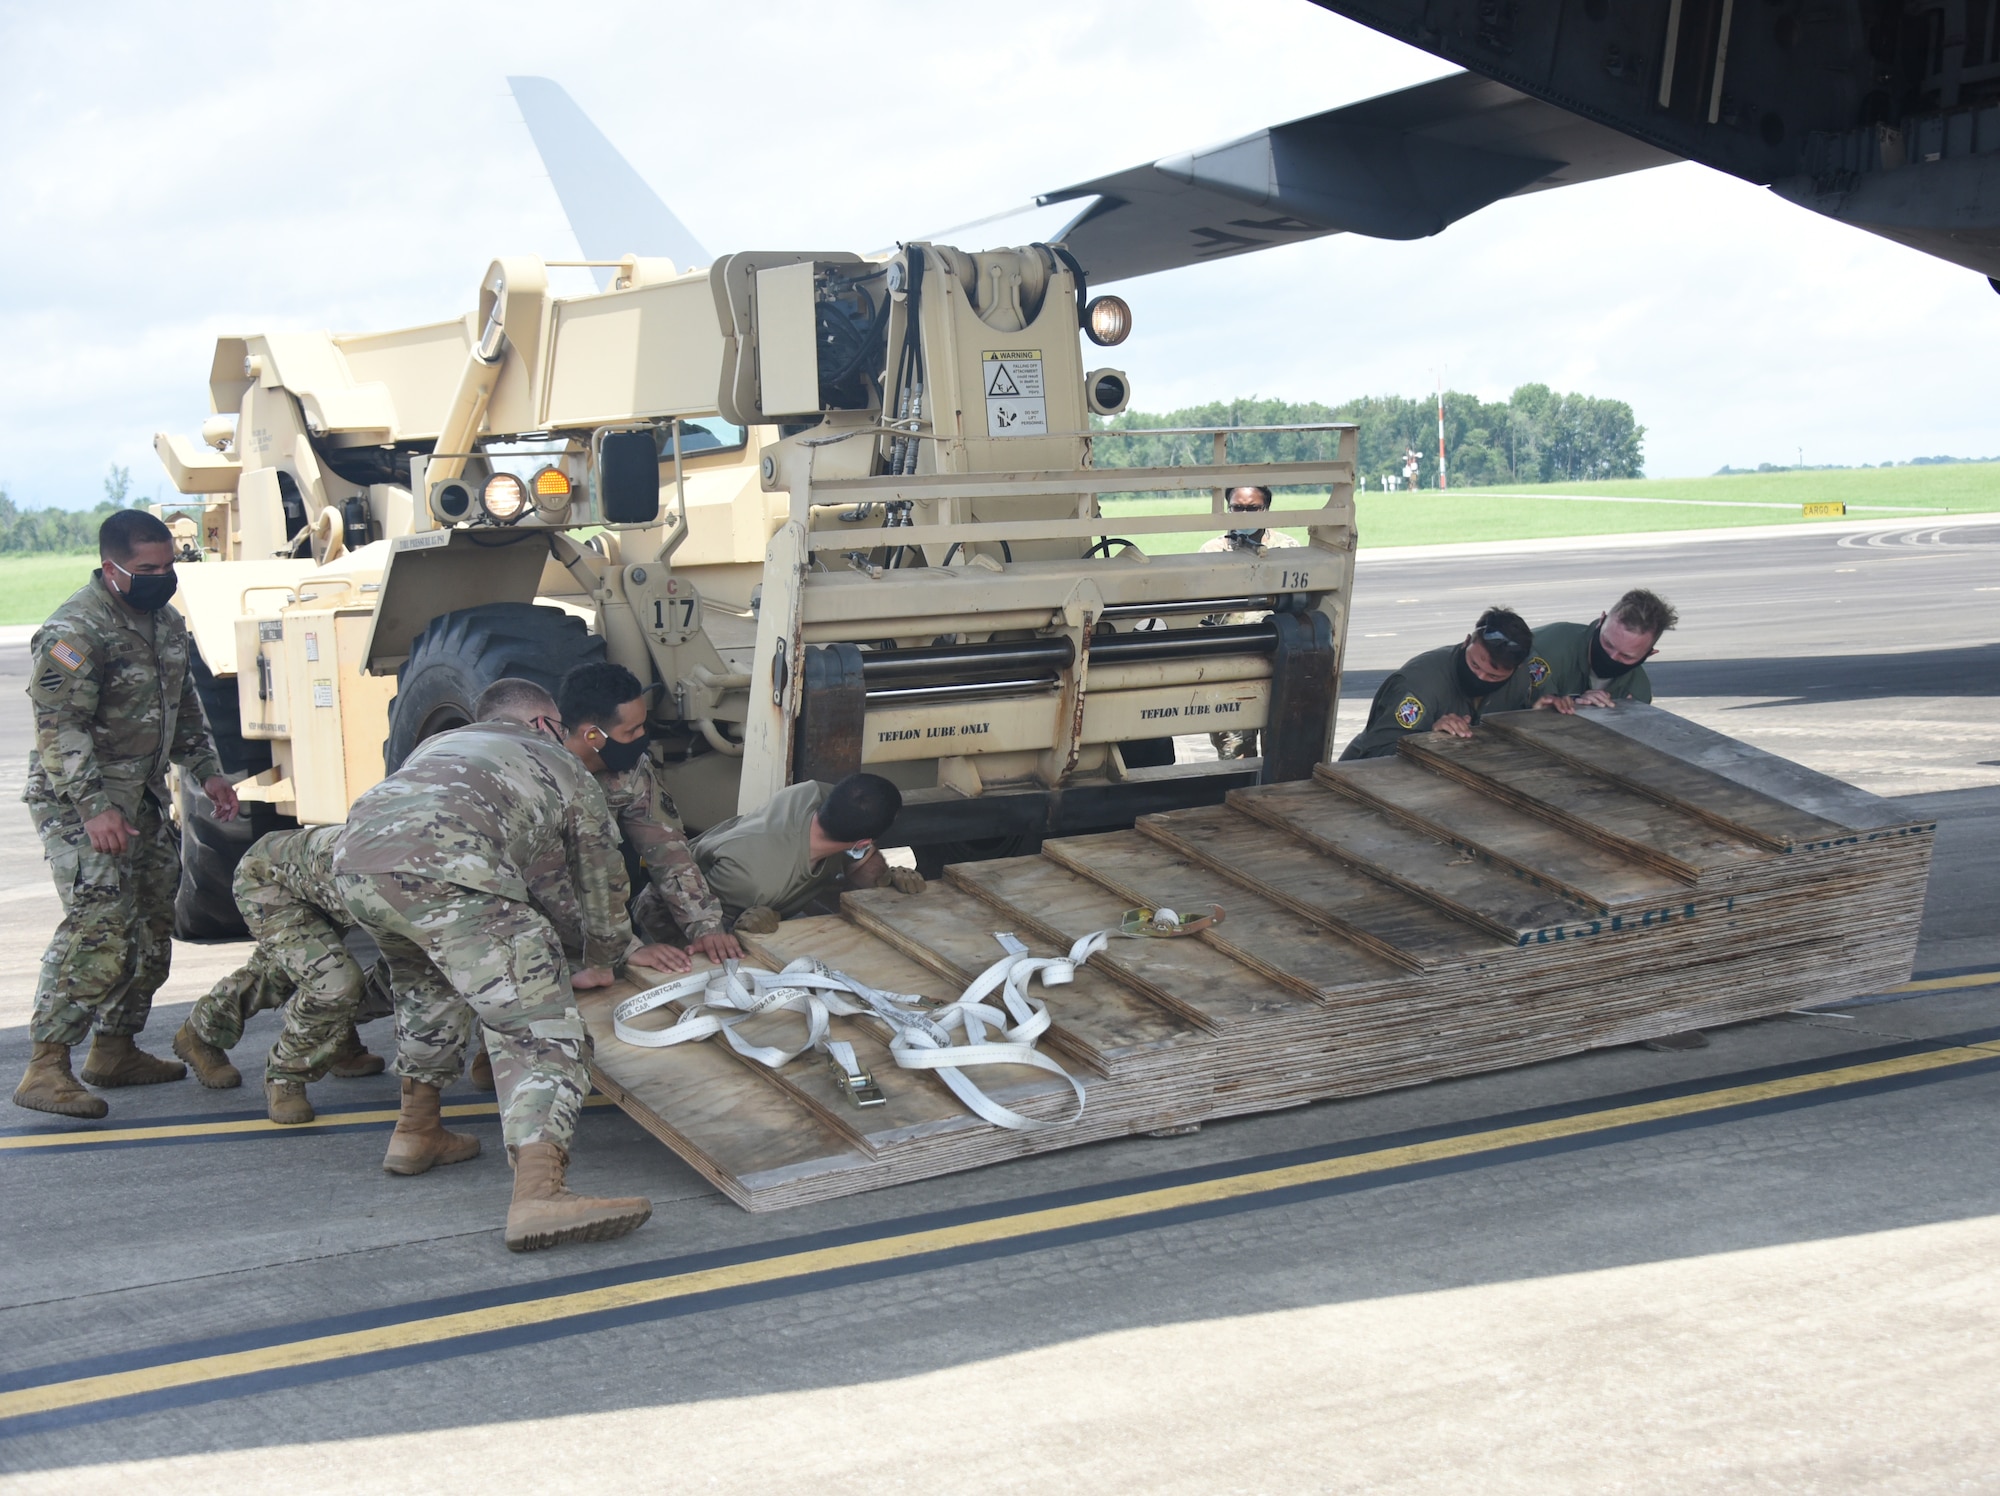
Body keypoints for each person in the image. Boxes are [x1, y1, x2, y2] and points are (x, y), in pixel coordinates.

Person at [332, 678, 659, 1252]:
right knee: (540, 1031)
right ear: (543, 725)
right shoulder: (555, 760)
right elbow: (602, 876)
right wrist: (604, 959)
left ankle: (417, 1130)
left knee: (427, 993)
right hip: (454, 872)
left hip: (357, 867)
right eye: (558, 727)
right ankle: (538, 1194)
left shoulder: (437, 747)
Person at [13, 510, 239, 1118]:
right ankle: (46, 1065)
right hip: (77, 804)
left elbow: (183, 707)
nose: (160, 578)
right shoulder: (75, 631)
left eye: (168, 567)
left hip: (139, 799)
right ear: (111, 566)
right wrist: (92, 808)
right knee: (101, 928)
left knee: (150, 927)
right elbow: (59, 727)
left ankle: (115, 1049)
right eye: (146, 569)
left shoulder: (162, 621)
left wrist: (208, 770)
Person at [172, 826, 383, 1124]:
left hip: (316, 887)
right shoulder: (394, 870)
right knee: (332, 982)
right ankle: (284, 1074)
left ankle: (335, 1042)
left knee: (283, 971)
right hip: (266, 878)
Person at [555, 662, 741, 964]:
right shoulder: (539, 780)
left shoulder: (631, 770)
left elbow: (668, 853)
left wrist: (705, 926)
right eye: (631, 731)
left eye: (643, 725)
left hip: (602, 908)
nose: (643, 736)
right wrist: (626, 949)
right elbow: (551, 884)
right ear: (592, 736)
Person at [692, 772, 923, 935]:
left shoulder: (817, 793)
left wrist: (884, 881)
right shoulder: (752, 880)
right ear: (862, 841)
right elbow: (682, 916)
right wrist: (737, 930)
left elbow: (862, 861)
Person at [1339, 606, 1535, 761]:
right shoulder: (1419, 684)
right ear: (1467, 642)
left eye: (1493, 677)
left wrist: (1539, 712)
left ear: (1515, 669)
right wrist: (1429, 737)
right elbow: (1375, 754)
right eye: (1474, 665)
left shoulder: (1520, 680)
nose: (1480, 678)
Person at [1199, 486, 1304, 760]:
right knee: (1235, 756)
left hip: (1278, 664)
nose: (1244, 514)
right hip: (1231, 669)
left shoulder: (1287, 549)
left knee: (1281, 752)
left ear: (1265, 509)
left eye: (1252, 508)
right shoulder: (1212, 552)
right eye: (1238, 508)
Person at [1527, 589, 1679, 713]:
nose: (1611, 657)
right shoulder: (1545, 649)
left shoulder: (1636, 690)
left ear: (1649, 654)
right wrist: (1575, 706)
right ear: (1601, 621)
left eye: (1626, 656)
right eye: (1608, 643)